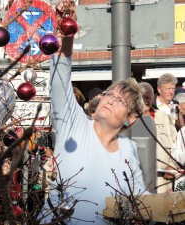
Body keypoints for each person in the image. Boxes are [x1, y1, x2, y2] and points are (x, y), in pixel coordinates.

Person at [40, 1, 147, 224]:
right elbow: (59, 80)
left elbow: (139, 200)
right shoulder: (75, 125)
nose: (110, 100)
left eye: (120, 101)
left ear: (131, 118)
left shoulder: (128, 150)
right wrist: (67, 32)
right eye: (110, 94)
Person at [153, 74, 178, 193]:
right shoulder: (151, 106)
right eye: (168, 88)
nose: (171, 92)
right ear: (159, 89)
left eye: (173, 88)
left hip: (175, 163)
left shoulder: (176, 106)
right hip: (157, 166)